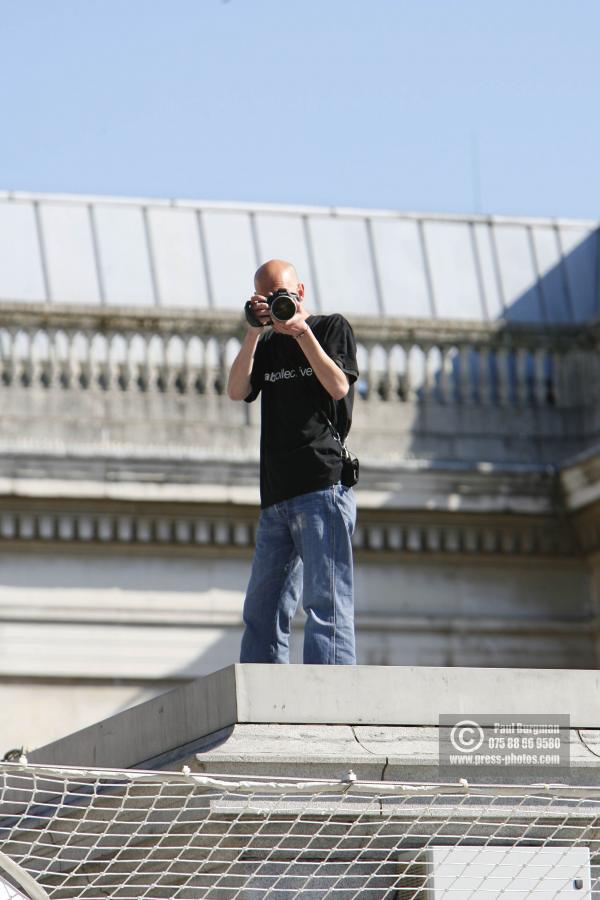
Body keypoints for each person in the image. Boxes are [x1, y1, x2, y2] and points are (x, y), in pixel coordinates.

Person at [227, 259, 359, 665]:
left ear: (299, 292)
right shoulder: (266, 346)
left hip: (323, 485)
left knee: (326, 604)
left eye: (282, 294)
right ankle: (264, 701)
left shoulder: (330, 327)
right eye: (268, 298)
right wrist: (252, 332)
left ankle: (332, 703)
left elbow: (338, 386)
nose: (277, 303)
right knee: (262, 610)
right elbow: (236, 390)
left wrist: (301, 332)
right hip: (277, 493)